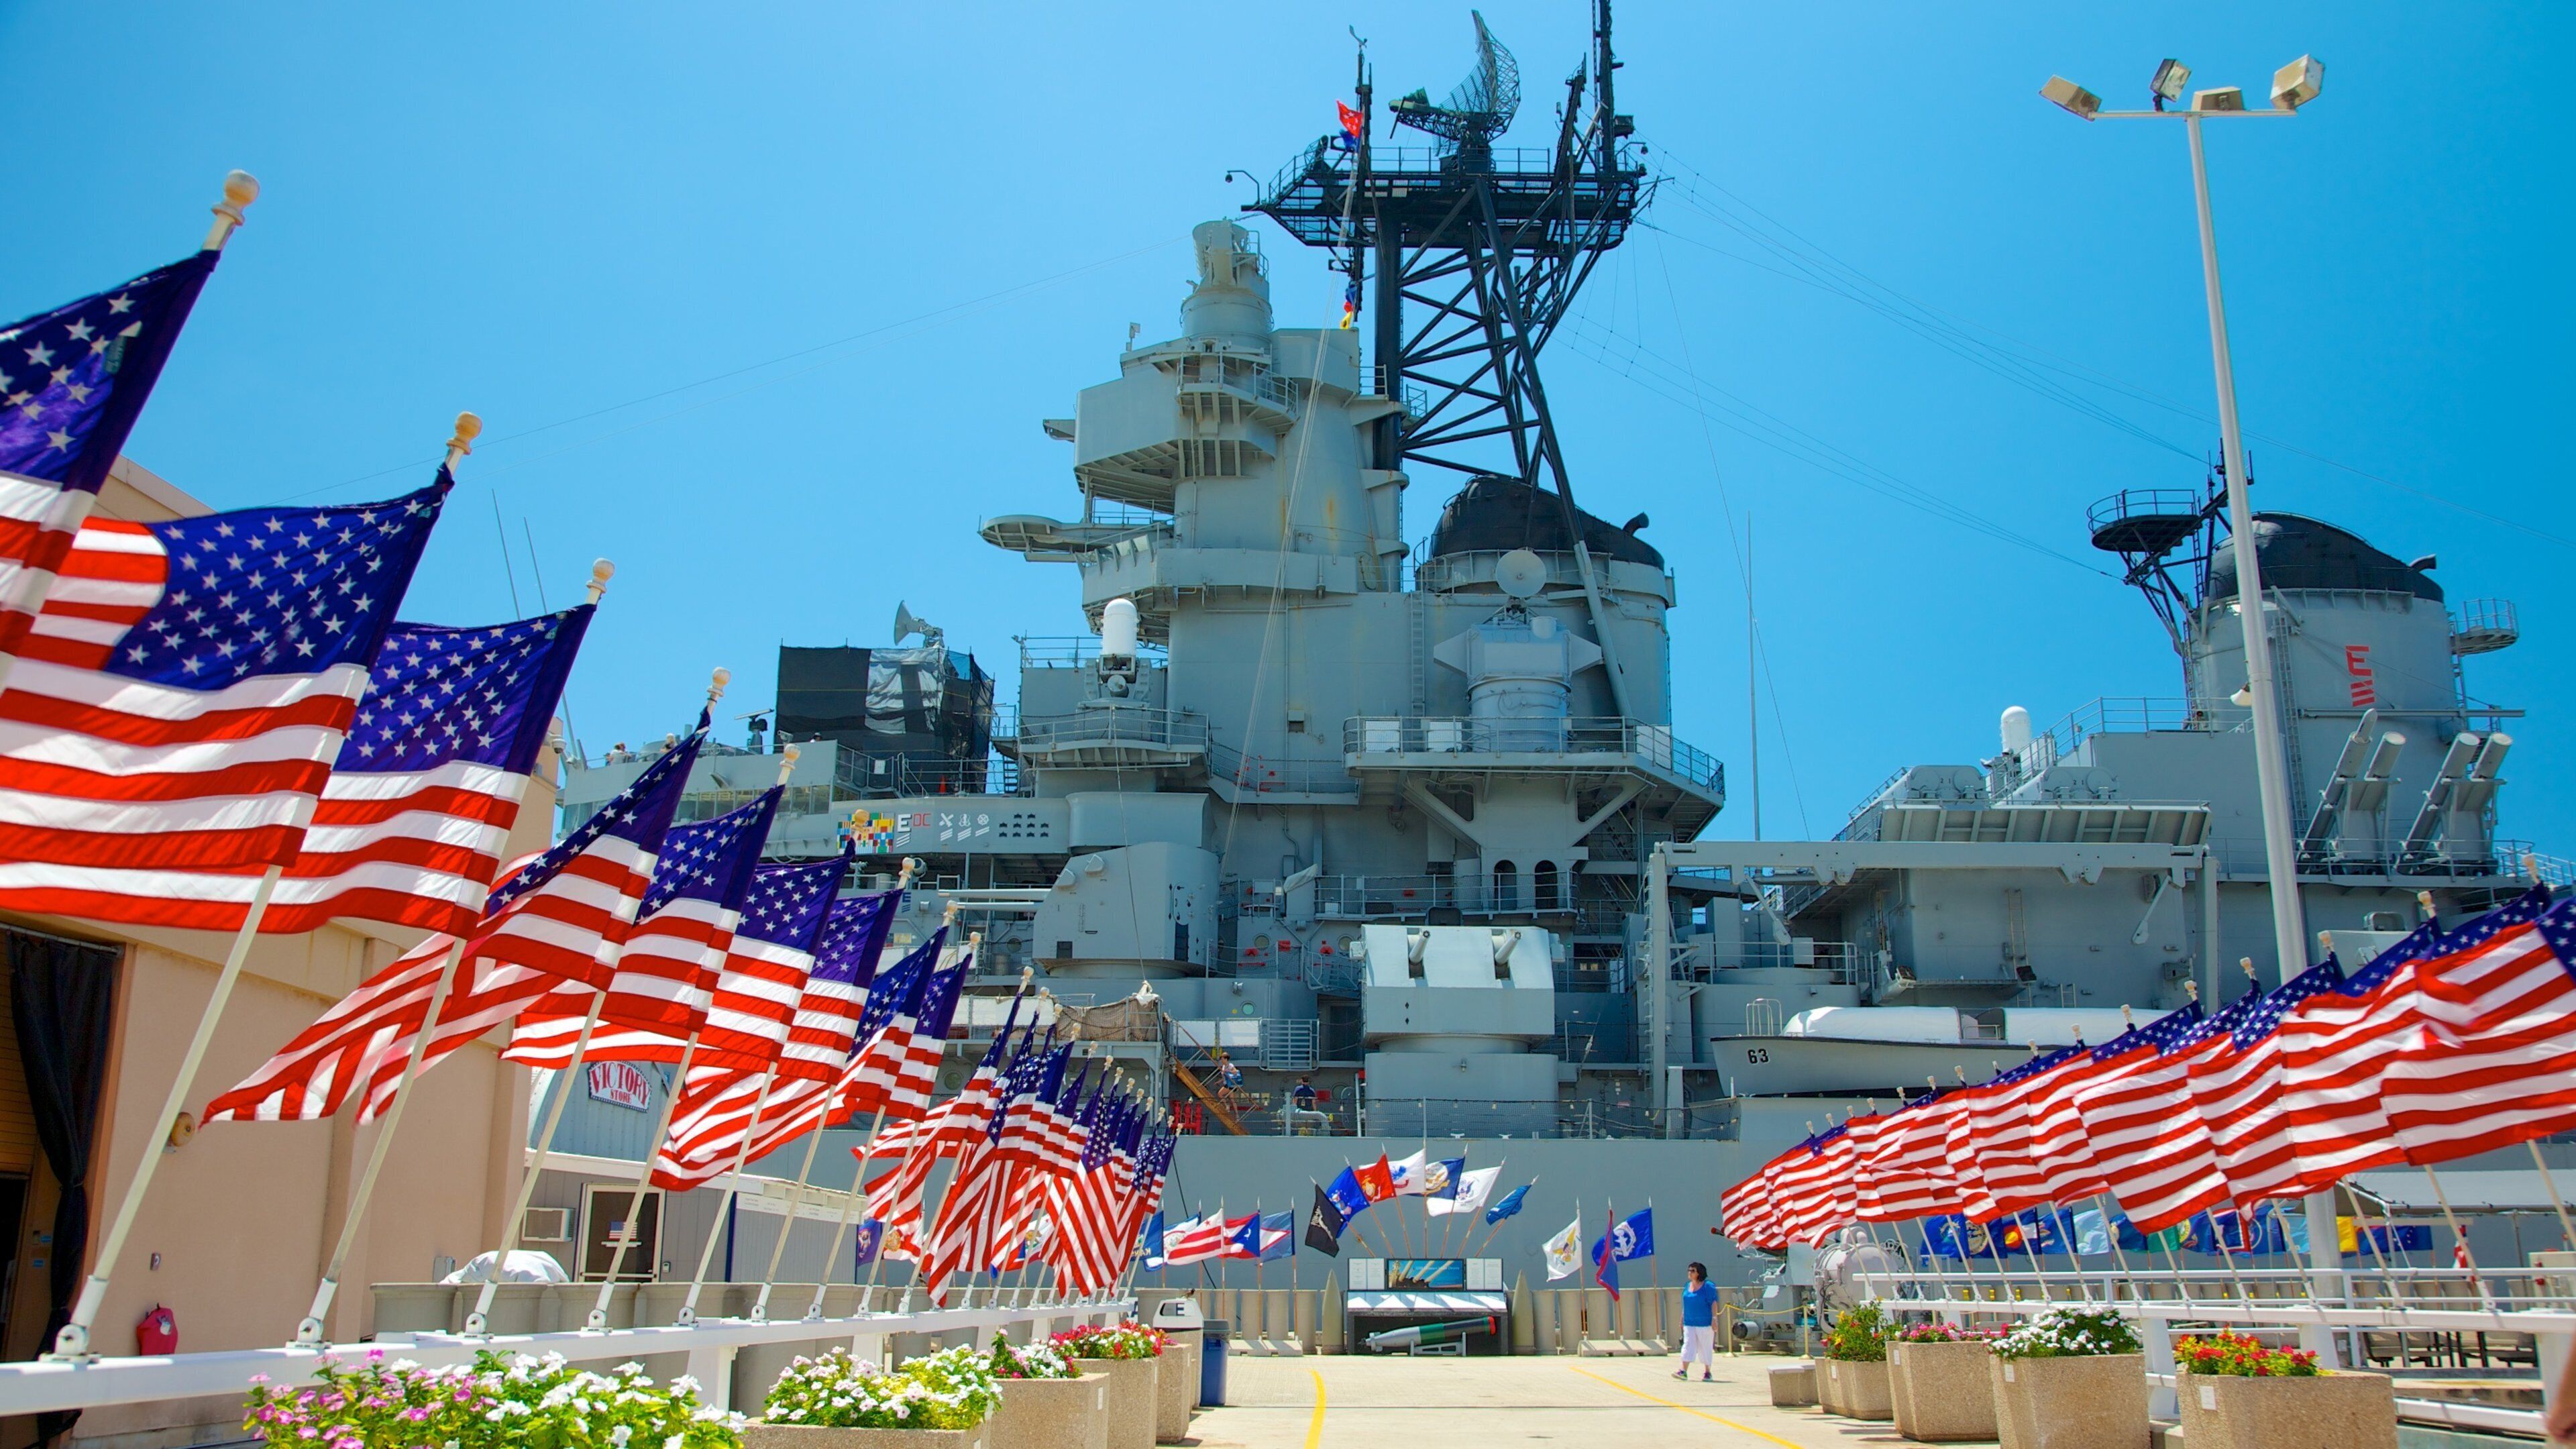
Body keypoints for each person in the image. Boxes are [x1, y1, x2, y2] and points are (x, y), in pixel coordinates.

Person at [1674, 1261, 1719, 1381]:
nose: (1690, 1273)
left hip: (1704, 1322)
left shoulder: (1708, 1286)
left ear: (1699, 1273)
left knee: (1705, 1346)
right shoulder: (1687, 1286)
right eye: (1689, 1270)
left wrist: (1714, 1319)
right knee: (1688, 1345)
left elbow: (1714, 1303)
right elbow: (1686, 1303)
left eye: (1693, 1271)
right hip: (1689, 1321)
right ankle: (1683, 1371)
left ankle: (1707, 1372)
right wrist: (1682, 1318)